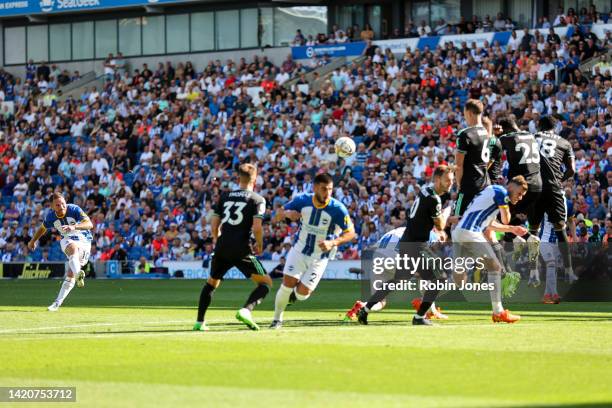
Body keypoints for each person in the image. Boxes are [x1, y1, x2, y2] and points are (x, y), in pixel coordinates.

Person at [357, 165, 454, 326]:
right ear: (437, 180)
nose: (451, 183)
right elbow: (440, 226)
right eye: (447, 180)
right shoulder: (434, 199)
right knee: (440, 278)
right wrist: (447, 211)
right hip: (417, 246)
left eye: (452, 180)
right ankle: (419, 317)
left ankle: (365, 309)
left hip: (406, 243)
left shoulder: (425, 190)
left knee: (398, 280)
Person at [270, 173, 356, 329]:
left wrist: (333, 242)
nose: (327, 193)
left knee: (303, 295)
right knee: (287, 283)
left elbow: (351, 233)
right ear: (315, 188)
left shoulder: (337, 209)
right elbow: (276, 215)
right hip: (299, 250)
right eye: (324, 189)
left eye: (330, 189)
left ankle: (292, 298)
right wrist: (288, 214)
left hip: (320, 257)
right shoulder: (302, 200)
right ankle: (277, 319)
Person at [194, 164, 272, 331]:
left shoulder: (225, 196)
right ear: (255, 180)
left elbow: (214, 223)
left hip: (222, 245)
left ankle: (199, 322)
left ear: (237, 179)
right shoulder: (258, 199)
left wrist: (216, 240)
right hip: (241, 247)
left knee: (211, 283)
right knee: (265, 283)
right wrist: (260, 244)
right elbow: (257, 227)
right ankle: (246, 310)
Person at [452, 176, 529, 323]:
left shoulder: (491, 192)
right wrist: (508, 209)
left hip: (459, 233)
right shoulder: (501, 192)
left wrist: (512, 229)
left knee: (458, 279)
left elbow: (490, 224)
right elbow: (506, 218)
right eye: (519, 194)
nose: (519, 198)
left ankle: (426, 303)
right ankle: (498, 312)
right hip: (470, 232)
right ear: (511, 186)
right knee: (495, 267)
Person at [530, 115, 577, 283]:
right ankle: (569, 272)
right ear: (555, 128)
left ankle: (533, 273)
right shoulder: (564, 142)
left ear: (538, 127)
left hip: (535, 187)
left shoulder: (531, 138)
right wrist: (560, 180)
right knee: (560, 229)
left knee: (533, 231)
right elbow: (571, 169)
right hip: (554, 188)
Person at [28, 192, 94, 311]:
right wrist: (33, 240)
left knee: (70, 275)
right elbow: (42, 228)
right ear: (52, 207)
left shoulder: (74, 209)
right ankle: (78, 274)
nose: (62, 207)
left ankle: (59, 302)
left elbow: (89, 224)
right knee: (72, 248)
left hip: (84, 240)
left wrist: (74, 227)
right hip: (67, 239)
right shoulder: (51, 217)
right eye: (58, 205)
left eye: (63, 204)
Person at [454, 99, 495, 216]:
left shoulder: (465, 134)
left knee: (457, 221)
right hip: (485, 183)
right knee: (481, 222)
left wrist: (459, 184)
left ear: (469, 113)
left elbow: (459, 165)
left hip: (469, 185)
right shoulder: (487, 133)